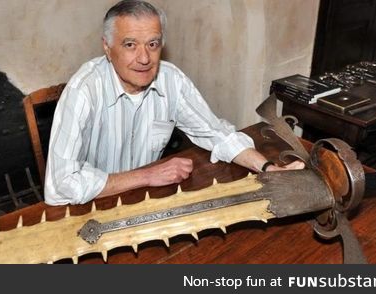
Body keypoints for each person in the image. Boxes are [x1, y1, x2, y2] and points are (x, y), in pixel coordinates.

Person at [44, 0, 304, 206]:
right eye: (130, 44)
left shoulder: (171, 80)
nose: (144, 58)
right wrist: (147, 175)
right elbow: (61, 186)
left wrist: (268, 168)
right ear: (107, 47)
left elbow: (216, 134)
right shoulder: (84, 90)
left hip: (149, 201)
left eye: (153, 44)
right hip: (92, 206)